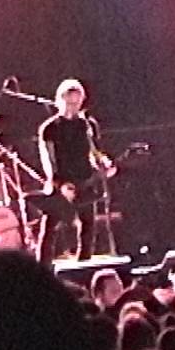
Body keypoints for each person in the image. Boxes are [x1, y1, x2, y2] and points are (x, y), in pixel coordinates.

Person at [36, 78, 115, 266]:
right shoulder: (50, 128)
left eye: (77, 103)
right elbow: (48, 160)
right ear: (60, 100)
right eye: (70, 103)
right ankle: (42, 268)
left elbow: (94, 150)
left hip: (84, 178)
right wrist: (59, 184)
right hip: (61, 182)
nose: (73, 107)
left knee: (88, 226)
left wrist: (104, 162)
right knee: (50, 228)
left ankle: (83, 265)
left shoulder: (86, 125)